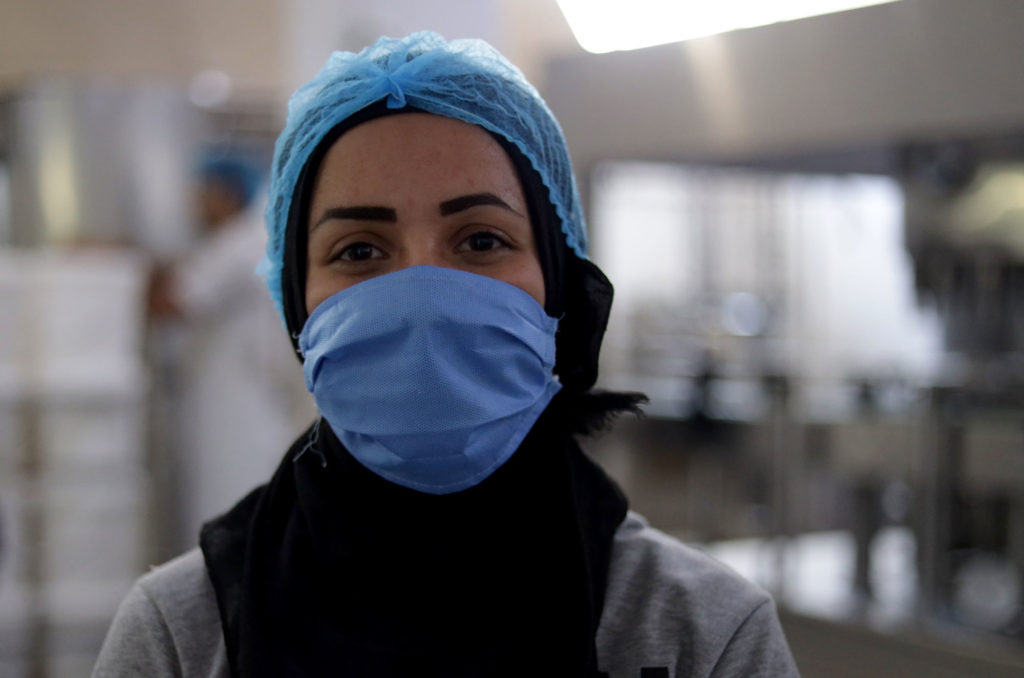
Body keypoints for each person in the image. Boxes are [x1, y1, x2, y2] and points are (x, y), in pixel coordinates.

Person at [95, 32, 799, 677]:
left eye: (481, 240)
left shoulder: (700, 637)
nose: (422, 296)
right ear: (298, 307)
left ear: (559, 287)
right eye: (360, 251)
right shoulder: (181, 637)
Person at [147, 155, 312, 554]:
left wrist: (126, 275)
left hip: (237, 405)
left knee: (228, 507)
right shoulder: (246, 239)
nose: (196, 204)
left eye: (202, 194)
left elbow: (172, 302)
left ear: (225, 194)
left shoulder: (240, 242)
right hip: (245, 398)